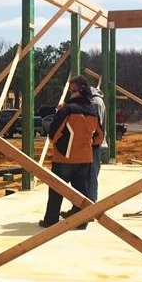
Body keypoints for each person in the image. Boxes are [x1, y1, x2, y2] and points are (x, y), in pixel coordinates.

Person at [41, 76, 102, 229]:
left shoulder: (67, 109)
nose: (69, 91)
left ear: (76, 90)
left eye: (71, 88)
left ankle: (51, 220)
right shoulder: (93, 110)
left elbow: (54, 132)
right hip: (85, 159)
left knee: (56, 191)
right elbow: (99, 137)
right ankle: (81, 222)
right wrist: (86, 146)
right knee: (81, 193)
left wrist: (59, 145)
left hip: (64, 158)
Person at [63, 83, 107, 217]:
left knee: (89, 177)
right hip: (89, 145)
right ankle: (80, 209)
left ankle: (88, 211)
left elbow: (92, 127)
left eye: (73, 93)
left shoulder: (95, 103)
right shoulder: (94, 101)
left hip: (91, 145)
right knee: (84, 178)